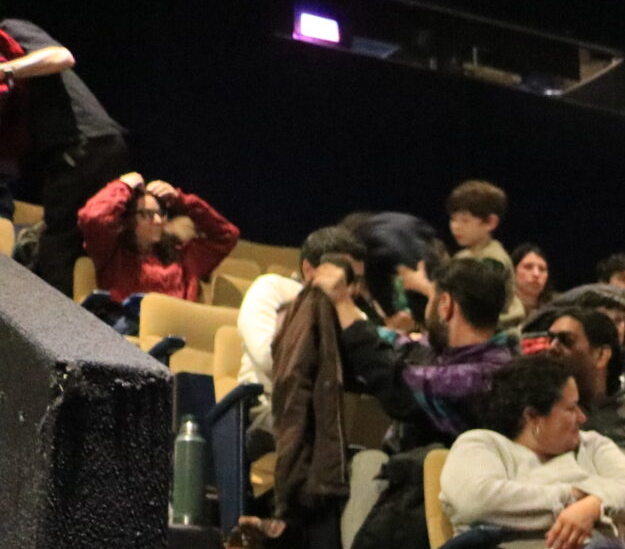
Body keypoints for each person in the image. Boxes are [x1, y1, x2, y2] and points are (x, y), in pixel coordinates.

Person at [439, 354, 625, 549]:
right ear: (533, 417)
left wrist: (593, 506)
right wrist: (572, 498)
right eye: (570, 408)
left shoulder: (591, 445)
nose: (582, 417)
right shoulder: (483, 445)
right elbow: (476, 499)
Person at [0, 18, 132, 295]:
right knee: (85, 248)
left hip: (83, 145)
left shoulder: (8, 29)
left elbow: (61, 56)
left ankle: (52, 322)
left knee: (56, 252)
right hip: (93, 146)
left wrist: (6, 70)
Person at [387, 256, 513, 449]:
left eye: (431, 299)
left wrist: (344, 307)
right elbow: (403, 344)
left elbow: (400, 383)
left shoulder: (483, 376)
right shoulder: (459, 350)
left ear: (446, 305)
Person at [237, 225, 366, 393]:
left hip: (331, 403)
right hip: (265, 400)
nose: (353, 289)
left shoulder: (353, 313)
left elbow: (367, 371)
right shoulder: (271, 289)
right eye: (345, 277)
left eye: (358, 280)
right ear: (308, 270)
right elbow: (268, 359)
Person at [75, 171, 237, 302]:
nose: (159, 221)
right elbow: (93, 218)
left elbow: (227, 235)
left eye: (160, 213)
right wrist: (123, 186)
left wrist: (181, 201)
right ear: (128, 220)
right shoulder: (112, 253)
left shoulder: (183, 255)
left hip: (178, 328)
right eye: (147, 214)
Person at [536, 305, 625, 469]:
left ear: (601, 355)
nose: (552, 347)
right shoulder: (538, 407)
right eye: (551, 339)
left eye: (566, 341)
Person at [445, 179, 509, 269]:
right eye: (453, 219)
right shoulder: (461, 257)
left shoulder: (494, 260)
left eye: (465, 220)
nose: (456, 226)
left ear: (490, 222)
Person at [507, 243, 554, 326]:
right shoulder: (501, 306)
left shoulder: (556, 308)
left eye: (542, 269)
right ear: (513, 271)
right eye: (528, 267)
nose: (536, 274)